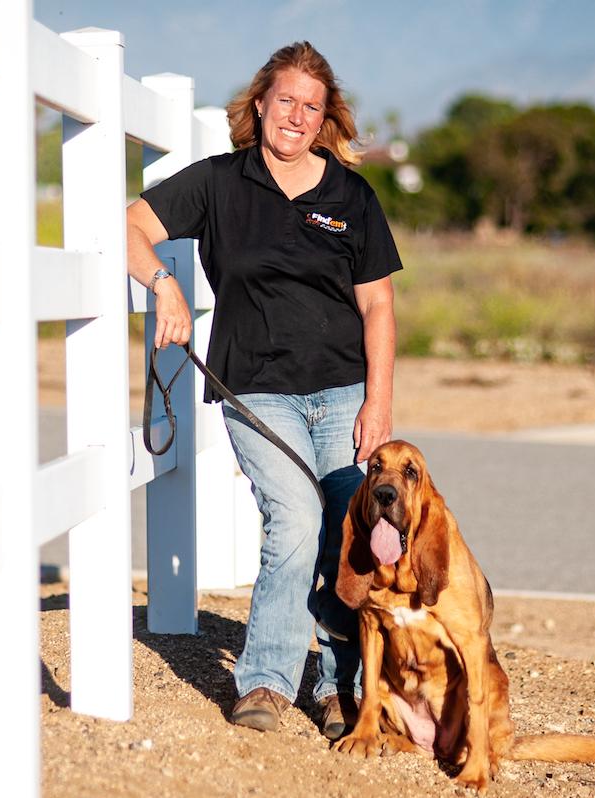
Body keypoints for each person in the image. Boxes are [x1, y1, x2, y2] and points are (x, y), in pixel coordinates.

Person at [124, 41, 401, 740]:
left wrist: (379, 403)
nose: (297, 116)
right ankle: (268, 683)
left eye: (312, 106)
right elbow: (131, 224)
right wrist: (162, 285)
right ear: (259, 104)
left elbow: (378, 307)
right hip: (256, 389)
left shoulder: (351, 196)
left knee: (352, 537)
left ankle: (344, 688)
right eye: (286, 101)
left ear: (325, 117)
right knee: (298, 521)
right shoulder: (219, 182)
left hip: (344, 392)